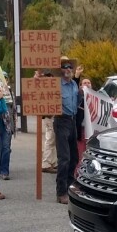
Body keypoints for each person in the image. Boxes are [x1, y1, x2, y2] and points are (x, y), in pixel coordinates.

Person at [53, 59, 84, 205]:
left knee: (74, 157)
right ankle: (61, 192)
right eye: (64, 67)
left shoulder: (73, 84)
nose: (67, 69)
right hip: (61, 121)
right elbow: (42, 87)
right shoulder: (56, 84)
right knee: (64, 158)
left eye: (69, 67)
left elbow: (77, 102)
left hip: (72, 121)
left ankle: (70, 187)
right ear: (60, 70)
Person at [39, 70, 58, 173]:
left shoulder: (50, 88)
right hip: (48, 116)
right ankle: (46, 163)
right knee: (50, 139)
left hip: (51, 116)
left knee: (52, 139)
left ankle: (53, 162)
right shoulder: (45, 89)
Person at [0, 85, 14, 180]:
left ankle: (4, 171)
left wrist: (13, 127)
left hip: (7, 126)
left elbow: (13, 110)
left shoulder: (10, 92)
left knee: (6, 148)